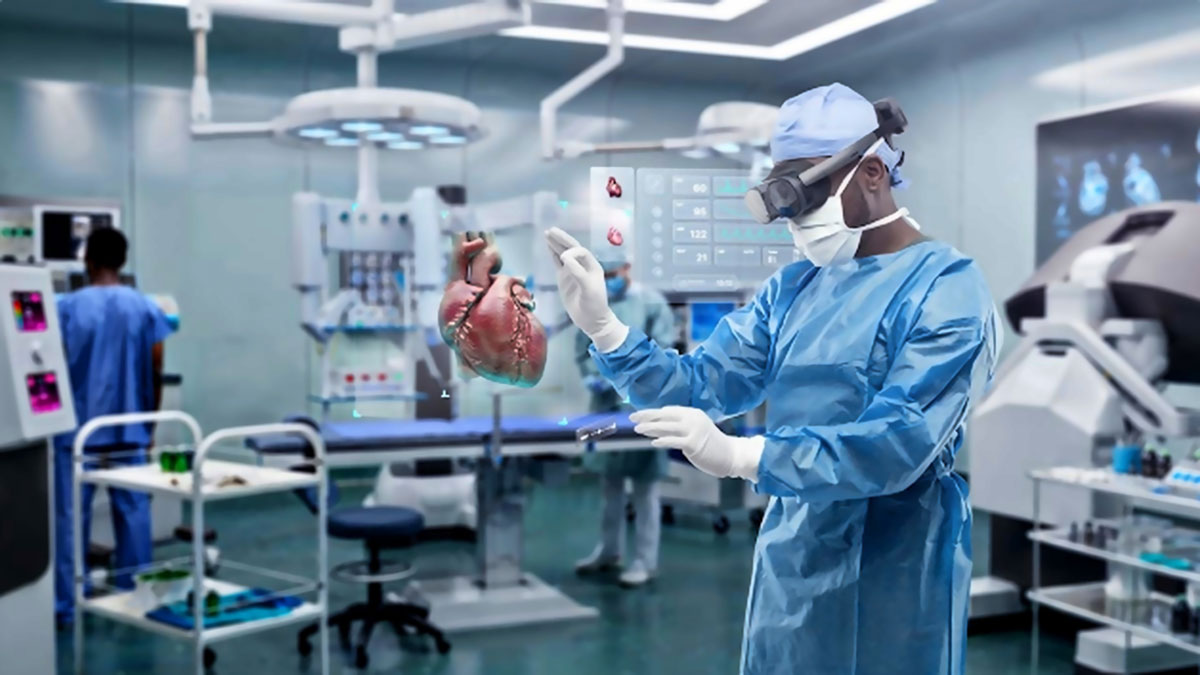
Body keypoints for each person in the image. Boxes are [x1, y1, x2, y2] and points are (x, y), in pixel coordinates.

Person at [546, 82, 999, 674]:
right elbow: (700, 387)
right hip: (793, 553)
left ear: (871, 174)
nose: (797, 220)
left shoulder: (946, 290)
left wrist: (744, 457)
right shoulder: (793, 290)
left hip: (897, 566)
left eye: (807, 195)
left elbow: (900, 442)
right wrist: (607, 330)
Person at [53, 227, 172, 625]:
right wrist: (151, 426)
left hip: (76, 430)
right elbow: (156, 369)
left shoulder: (66, 306)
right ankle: (137, 597)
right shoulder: (145, 308)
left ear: (88, 261)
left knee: (71, 516)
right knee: (134, 511)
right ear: (122, 262)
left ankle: (68, 605)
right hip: (129, 427)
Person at [573, 251, 675, 588]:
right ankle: (609, 552)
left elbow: (662, 351)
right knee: (609, 485)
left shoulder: (651, 304)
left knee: (645, 490)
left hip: (643, 407)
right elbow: (581, 347)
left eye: (613, 274)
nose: (609, 282)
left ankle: (646, 561)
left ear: (628, 268)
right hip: (604, 407)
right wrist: (593, 374)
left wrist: (629, 378)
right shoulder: (593, 302)